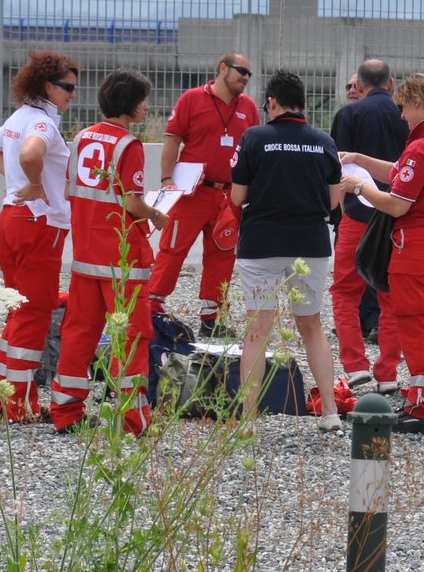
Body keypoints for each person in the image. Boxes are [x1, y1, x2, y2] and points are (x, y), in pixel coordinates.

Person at [340, 73, 424, 435]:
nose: (401, 115)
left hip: (417, 245)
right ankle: (422, 394)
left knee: (414, 321)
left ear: (418, 103)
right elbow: (401, 174)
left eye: (404, 107)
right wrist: (361, 158)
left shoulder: (422, 146)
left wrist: (360, 185)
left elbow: (396, 204)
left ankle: (423, 409)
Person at [48, 69, 168, 435]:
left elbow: (73, 192)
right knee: (131, 335)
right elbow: (132, 204)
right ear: (129, 104)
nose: (147, 107)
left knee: (79, 333)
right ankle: (133, 418)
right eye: (143, 100)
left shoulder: (82, 137)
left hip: (85, 254)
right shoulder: (127, 146)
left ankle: (65, 411)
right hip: (122, 259)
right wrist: (157, 215)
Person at [230, 69, 345, 433]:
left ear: (272, 102)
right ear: (302, 104)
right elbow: (333, 200)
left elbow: (237, 197)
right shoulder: (323, 141)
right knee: (311, 326)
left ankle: (249, 418)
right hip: (309, 243)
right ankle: (329, 412)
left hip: (261, 243)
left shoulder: (254, 137)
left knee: (257, 330)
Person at [0, 52, 80, 422]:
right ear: (46, 87)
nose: (72, 95)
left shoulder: (19, 116)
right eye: (67, 87)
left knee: (17, 310)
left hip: (11, 217)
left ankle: (1, 396)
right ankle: (16, 404)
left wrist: (18, 184)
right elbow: (30, 153)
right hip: (39, 224)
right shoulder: (42, 123)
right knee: (33, 313)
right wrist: (35, 184)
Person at [147, 53, 261, 339]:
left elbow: (253, 149)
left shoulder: (248, 107)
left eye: (249, 73)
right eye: (241, 71)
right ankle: (152, 306)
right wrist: (166, 180)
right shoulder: (192, 99)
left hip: (230, 195)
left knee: (222, 255)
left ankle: (212, 318)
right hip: (192, 193)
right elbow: (172, 140)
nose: (245, 77)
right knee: (173, 250)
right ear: (223, 69)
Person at [329, 58, 409, 400]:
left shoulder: (349, 115)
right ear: (391, 84)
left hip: (357, 215)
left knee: (344, 292)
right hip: (395, 216)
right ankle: (388, 373)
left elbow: (334, 166)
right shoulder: (405, 114)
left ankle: (355, 364)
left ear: (358, 85)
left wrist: (334, 209)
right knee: (391, 296)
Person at [338, 72, 382, 343]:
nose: (353, 89)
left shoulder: (349, 117)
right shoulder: (396, 114)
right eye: (349, 86)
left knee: (352, 279)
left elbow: (336, 164)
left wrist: (341, 206)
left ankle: (362, 326)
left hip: (359, 207)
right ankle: (367, 322)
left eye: (357, 85)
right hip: (380, 207)